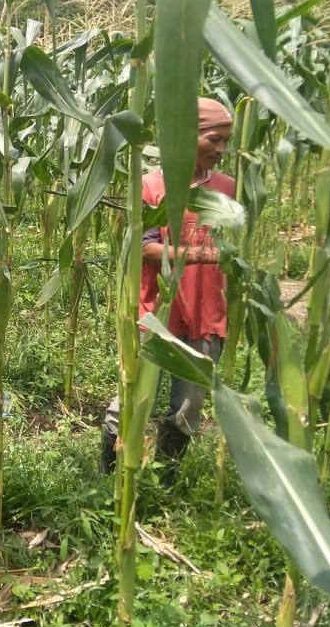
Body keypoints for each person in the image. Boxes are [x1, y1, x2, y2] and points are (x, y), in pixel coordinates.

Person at [100, 97, 236, 486]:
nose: (222, 149)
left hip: (207, 314)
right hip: (156, 312)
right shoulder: (151, 185)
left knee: (188, 408)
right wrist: (200, 254)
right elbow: (145, 247)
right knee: (129, 398)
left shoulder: (227, 188)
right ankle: (106, 480)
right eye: (215, 139)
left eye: (227, 140)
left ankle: (166, 483)